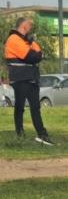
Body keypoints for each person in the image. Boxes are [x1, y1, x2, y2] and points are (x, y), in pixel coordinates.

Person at [3, 17, 54, 146]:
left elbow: (39, 54)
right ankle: (20, 134)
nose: (31, 26)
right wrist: (34, 52)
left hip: (31, 78)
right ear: (24, 25)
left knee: (35, 108)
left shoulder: (26, 41)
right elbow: (31, 57)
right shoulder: (13, 39)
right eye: (29, 24)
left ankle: (42, 135)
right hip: (20, 78)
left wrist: (33, 49)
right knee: (20, 107)